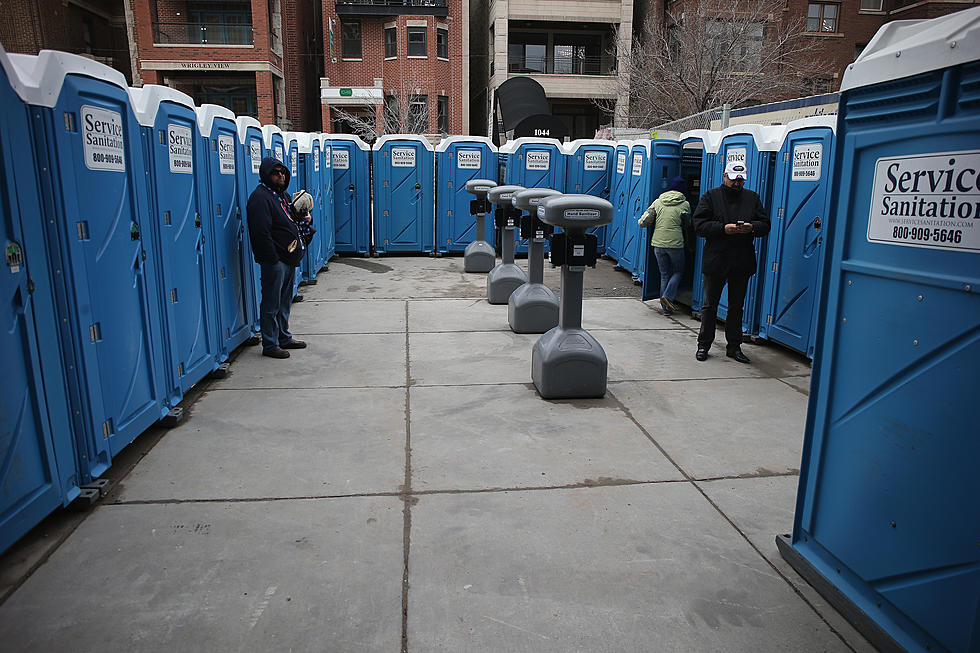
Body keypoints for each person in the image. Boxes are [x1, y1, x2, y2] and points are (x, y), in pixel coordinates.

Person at [691, 161, 770, 363]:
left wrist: (751, 227)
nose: (737, 184)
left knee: (737, 306)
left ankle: (734, 347)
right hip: (716, 259)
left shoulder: (752, 198)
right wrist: (722, 229)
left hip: (741, 260)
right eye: (734, 180)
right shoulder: (711, 196)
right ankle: (703, 345)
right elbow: (699, 224)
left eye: (741, 180)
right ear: (725, 176)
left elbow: (765, 224)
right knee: (710, 305)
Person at [246, 157, 307, 359]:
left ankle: (284, 337)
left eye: (282, 172)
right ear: (266, 175)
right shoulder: (260, 198)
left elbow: (289, 220)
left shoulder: (282, 196)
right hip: (275, 260)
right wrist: (272, 258)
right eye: (275, 173)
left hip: (288, 258)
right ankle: (270, 344)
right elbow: (260, 233)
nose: (280, 175)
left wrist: (304, 217)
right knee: (271, 303)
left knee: (284, 301)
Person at [639, 176, 690, 316]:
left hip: (658, 243)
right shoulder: (685, 204)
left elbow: (644, 221)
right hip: (676, 243)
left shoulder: (658, 202)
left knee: (664, 274)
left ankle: (665, 309)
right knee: (678, 271)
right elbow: (687, 224)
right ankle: (667, 297)